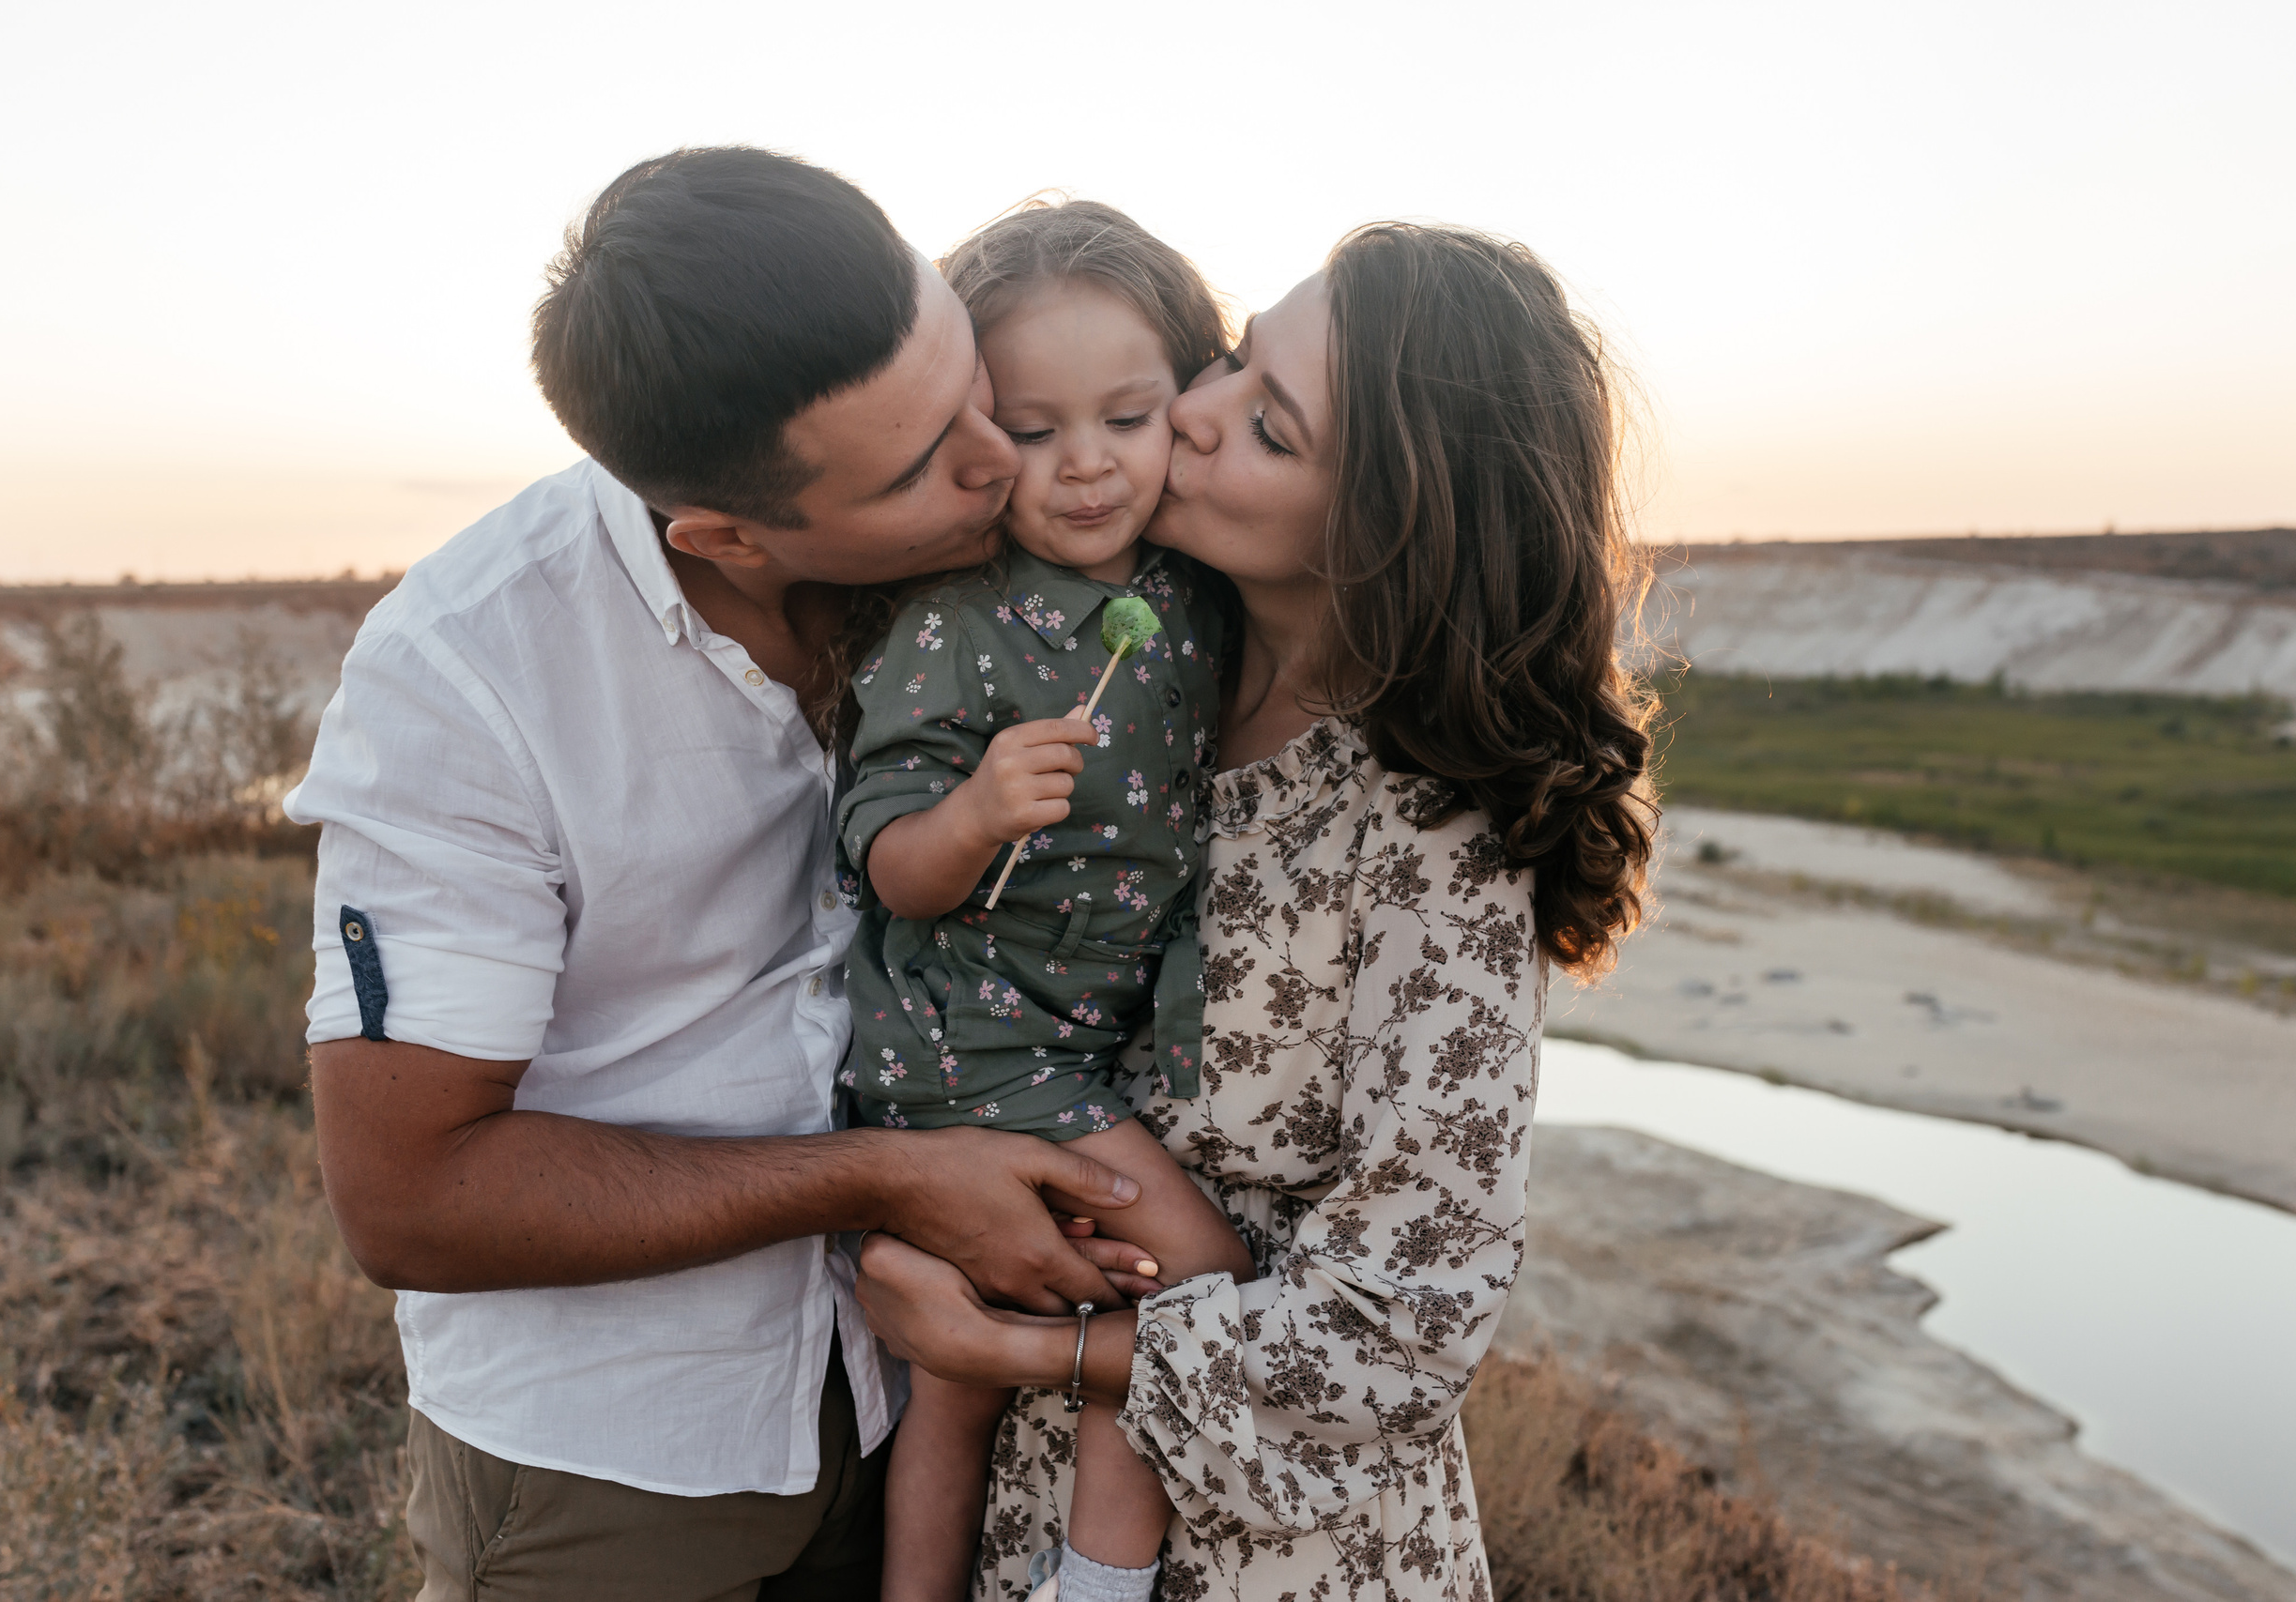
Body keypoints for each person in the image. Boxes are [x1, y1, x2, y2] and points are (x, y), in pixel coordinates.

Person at [289, 147, 1158, 1601]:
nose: (995, 457)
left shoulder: (1003, 521)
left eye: (965, 380)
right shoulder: (465, 678)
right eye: (920, 463)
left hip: (917, 1408)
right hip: (617, 1470)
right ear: (726, 537)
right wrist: (887, 1176)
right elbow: (407, 1198)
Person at [854, 221, 1659, 1599]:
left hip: (1278, 1564)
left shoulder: (1433, 841)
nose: (1195, 414)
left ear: (1389, 526)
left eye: (1270, 428)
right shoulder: (1115, 658)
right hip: (1015, 1520)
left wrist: (1014, 1351)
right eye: (1232, 363)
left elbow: (1400, 1334)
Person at [836, 201, 1252, 1602]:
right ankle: (1100, 1584)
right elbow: (884, 861)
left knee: (957, 1378)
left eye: (1127, 418)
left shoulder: (1199, 592)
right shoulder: (952, 625)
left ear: (1183, 408)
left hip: (1088, 1038)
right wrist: (971, 816)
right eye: (1030, 430)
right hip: (972, 1051)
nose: (1084, 465)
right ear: (969, 433)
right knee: (1185, 1273)